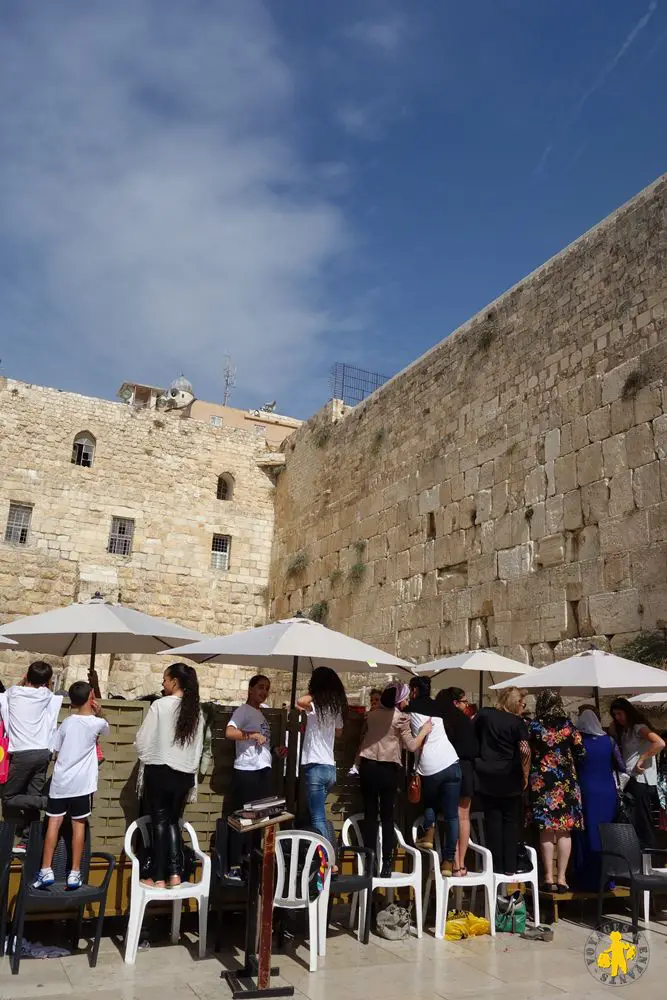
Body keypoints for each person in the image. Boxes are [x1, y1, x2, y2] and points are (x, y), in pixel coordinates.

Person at [31, 681, 109, 890]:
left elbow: (54, 748)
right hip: (82, 785)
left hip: (60, 783)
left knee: (53, 824)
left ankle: (46, 869)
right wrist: (99, 712)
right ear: (91, 697)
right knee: (79, 826)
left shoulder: (66, 723)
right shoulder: (97, 724)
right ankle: (74, 873)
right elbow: (106, 728)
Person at [135, 663, 204, 888]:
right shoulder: (196, 710)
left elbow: (143, 741)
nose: (162, 684)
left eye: (165, 679)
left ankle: (158, 876)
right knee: (173, 821)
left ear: (175, 681)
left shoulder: (160, 705)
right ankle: (175, 873)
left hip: (160, 770)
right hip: (184, 774)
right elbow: (198, 748)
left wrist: (149, 754)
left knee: (160, 824)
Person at [358, 682, 431, 877]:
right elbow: (412, 745)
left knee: (370, 816)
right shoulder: (401, 719)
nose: (407, 701)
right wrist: (424, 731)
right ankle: (387, 863)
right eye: (405, 698)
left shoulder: (371, 715)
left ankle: (370, 861)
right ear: (398, 700)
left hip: (367, 766)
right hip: (387, 769)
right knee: (388, 817)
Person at [0, 661, 63, 852]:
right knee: (31, 796)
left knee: (9, 797)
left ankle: (48, 802)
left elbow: (7, 696)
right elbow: (49, 694)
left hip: (23, 752)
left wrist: (27, 680)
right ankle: (28, 840)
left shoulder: (13, 693)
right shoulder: (47, 695)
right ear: (48, 681)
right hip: (43, 751)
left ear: (26, 676)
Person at [527, 690, 585, 892]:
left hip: (541, 782)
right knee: (564, 830)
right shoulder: (569, 727)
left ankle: (548, 877)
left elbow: (526, 750)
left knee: (546, 830)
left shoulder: (534, 726)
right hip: (566, 783)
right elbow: (581, 752)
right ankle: (562, 878)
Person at [225, 674, 280, 879]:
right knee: (243, 819)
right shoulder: (243, 710)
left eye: (266, 688)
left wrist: (275, 749)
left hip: (263, 770)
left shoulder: (261, 714)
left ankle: (253, 862)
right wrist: (251, 735)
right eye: (260, 687)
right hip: (247, 772)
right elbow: (230, 733)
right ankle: (234, 866)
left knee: (262, 819)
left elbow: (261, 742)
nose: (263, 692)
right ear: (250, 689)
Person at [474, 687, 530, 876]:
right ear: (514, 703)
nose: (523, 707)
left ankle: (495, 866)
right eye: (522, 703)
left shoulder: (485, 715)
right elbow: (524, 750)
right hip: (510, 776)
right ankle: (510, 867)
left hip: (486, 775)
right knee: (510, 822)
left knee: (493, 821)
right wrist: (526, 773)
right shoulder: (517, 722)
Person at [407, 677, 461, 876]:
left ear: (413, 690)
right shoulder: (437, 708)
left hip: (430, 765)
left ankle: (428, 831)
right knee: (452, 816)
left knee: (429, 801)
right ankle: (448, 862)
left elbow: (414, 742)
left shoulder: (410, 709)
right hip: (452, 762)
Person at [572, 709, 626, 891]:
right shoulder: (609, 741)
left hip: (586, 791)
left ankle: (585, 878)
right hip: (607, 792)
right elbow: (622, 766)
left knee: (586, 834)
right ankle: (608, 879)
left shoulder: (578, 741)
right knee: (606, 835)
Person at [297, 667, 347, 848]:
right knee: (317, 814)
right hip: (330, 768)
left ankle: (328, 859)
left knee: (317, 817)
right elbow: (339, 733)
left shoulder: (315, 705)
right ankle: (324, 856)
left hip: (315, 766)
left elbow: (300, 701)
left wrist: (314, 693)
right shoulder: (335, 708)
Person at [610, 697, 665, 848]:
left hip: (641, 780)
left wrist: (643, 759)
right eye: (615, 714)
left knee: (643, 820)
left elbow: (659, 743)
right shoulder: (625, 731)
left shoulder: (638, 727)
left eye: (620, 713)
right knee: (632, 819)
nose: (617, 717)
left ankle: (648, 854)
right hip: (629, 779)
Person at [436, 687, 479, 876]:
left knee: (450, 817)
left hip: (449, 767)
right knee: (464, 817)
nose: (466, 705)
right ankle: (461, 863)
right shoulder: (467, 722)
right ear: (455, 703)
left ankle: (451, 861)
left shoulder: (442, 721)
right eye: (464, 701)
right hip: (467, 768)